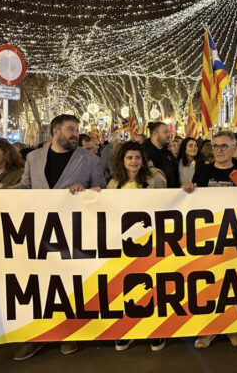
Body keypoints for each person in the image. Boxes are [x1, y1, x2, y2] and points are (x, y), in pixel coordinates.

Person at [0, 114, 106, 361]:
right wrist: (2, 191)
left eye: (76, 129)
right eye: (71, 129)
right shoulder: (33, 157)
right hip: (38, 232)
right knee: (40, 286)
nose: (76, 133)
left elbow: (100, 192)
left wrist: (85, 193)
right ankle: (37, 336)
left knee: (69, 286)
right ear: (55, 132)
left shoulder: (91, 160)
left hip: (73, 233)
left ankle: (68, 334)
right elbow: (26, 187)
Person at [182, 130, 237, 349]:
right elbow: (192, 202)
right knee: (209, 285)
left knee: (233, 285)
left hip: (234, 239)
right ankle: (208, 330)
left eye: (224, 146)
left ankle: (233, 328)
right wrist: (188, 190)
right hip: (208, 238)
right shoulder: (202, 172)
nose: (219, 150)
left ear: (234, 148)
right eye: (215, 146)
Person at [106, 141, 165, 351]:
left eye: (137, 158)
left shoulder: (155, 179)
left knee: (152, 286)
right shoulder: (113, 184)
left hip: (151, 243)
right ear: (122, 161)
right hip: (124, 245)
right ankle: (128, 330)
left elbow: (169, 204)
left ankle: (155, 331)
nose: (133, 162)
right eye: (129, 158)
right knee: (126, 287)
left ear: (143, 159)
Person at [143, 122, 178, 188]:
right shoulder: (143, 152)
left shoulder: (168, 153)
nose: (169, 135)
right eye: (165, 132)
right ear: (155, 134)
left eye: (169, 132)